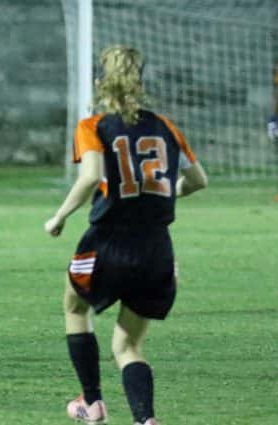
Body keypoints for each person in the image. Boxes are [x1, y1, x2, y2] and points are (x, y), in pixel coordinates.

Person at [44, 46, 208, 425]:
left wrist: (59, 216)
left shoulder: (94, 126)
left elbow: (89, 177)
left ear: (101, 84)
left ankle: (92, 402)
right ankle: (145, 420)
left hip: (107, 243)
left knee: (74, 309)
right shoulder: (166, 127)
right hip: (157, 250)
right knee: (128, 344)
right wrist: (166, 190)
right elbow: (199, 180)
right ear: (141, 84)